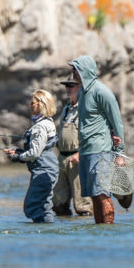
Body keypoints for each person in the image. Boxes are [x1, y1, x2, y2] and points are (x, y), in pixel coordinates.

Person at [68, 55, 128, 224]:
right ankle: (99, 230)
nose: (72, 72)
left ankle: (108, 230)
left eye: (75, 68)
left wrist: (119, 153)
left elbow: (117, 123)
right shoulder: (81, 92)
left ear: (84, 70)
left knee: (102, 194)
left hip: (101, 151)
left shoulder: (102, 92)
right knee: (94, 195)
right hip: (85, 151)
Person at [5, 89, 59, 223]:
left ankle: (42, 230)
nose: (30, 106)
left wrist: (18, 157)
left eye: (32, 103)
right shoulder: (47, 122)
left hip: (43, 170)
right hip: (48, 169)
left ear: (41, 104)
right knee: (44, 205)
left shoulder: (40, 127)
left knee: (32, 206)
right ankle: (48, 230)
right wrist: (18, 151)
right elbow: (38, 149)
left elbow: (34, 153)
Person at [51, 78, 93, 217]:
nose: (68, 88)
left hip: (78, 159)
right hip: (62, 158)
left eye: (71, 85)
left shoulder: (86, 108)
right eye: (66, 86)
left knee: (83, 206)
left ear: (80, 88)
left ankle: (84, 227)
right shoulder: (66, 108)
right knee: (58, 203)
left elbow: (92, 135)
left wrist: (80, 153)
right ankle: (64, 228)